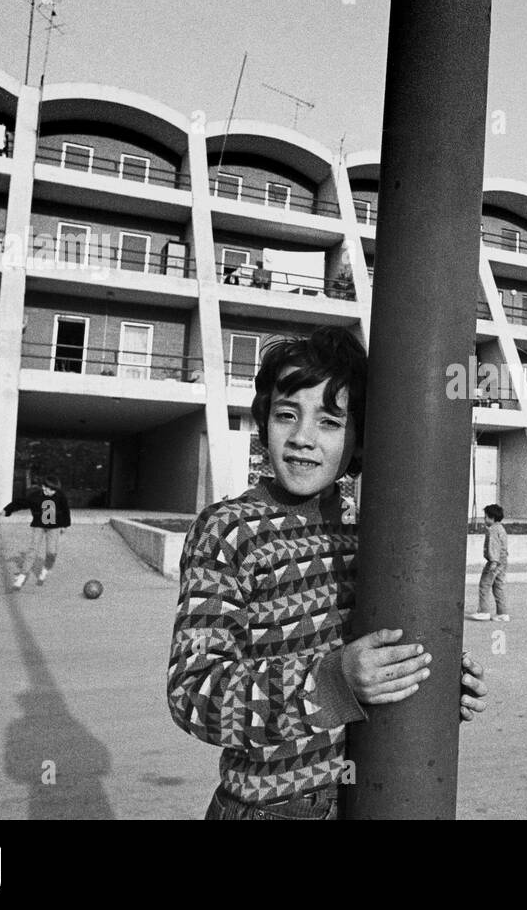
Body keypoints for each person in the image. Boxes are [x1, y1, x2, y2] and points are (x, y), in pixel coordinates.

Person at [167, 326, 487, 820]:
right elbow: (194, 695)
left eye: (329, 422)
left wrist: (432, 679)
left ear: (360, 442)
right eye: (286, 415)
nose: (301, 438)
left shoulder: (371, 536)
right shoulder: (230, 530)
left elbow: (377, 659)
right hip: (268, 808)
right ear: (264, 422)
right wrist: (331, 684)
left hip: (365, 799)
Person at [3, 474, 72, 589]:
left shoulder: (60, 496)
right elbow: (21, 502)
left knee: (51, 552)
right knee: (33, 550)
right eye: (49, 490)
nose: (51, 493)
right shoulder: (35, 496)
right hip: (39, 525)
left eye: (54, 491)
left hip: (54, 526)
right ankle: (22, 576)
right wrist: (8, 510)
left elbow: (66, 510)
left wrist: (65, 524)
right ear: (44, 487)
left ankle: (45, 570)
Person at [466, 504, 508, 622]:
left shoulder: (493, 530)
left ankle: (483, 612)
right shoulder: (501, 528)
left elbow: (494, 546)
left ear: (492, 518)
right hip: (503, 562)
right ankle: (502, 613)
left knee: (484, 585)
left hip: (494, 562)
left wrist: (493, 561)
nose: (484, 520)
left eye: (485, 517)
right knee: (498, 587)